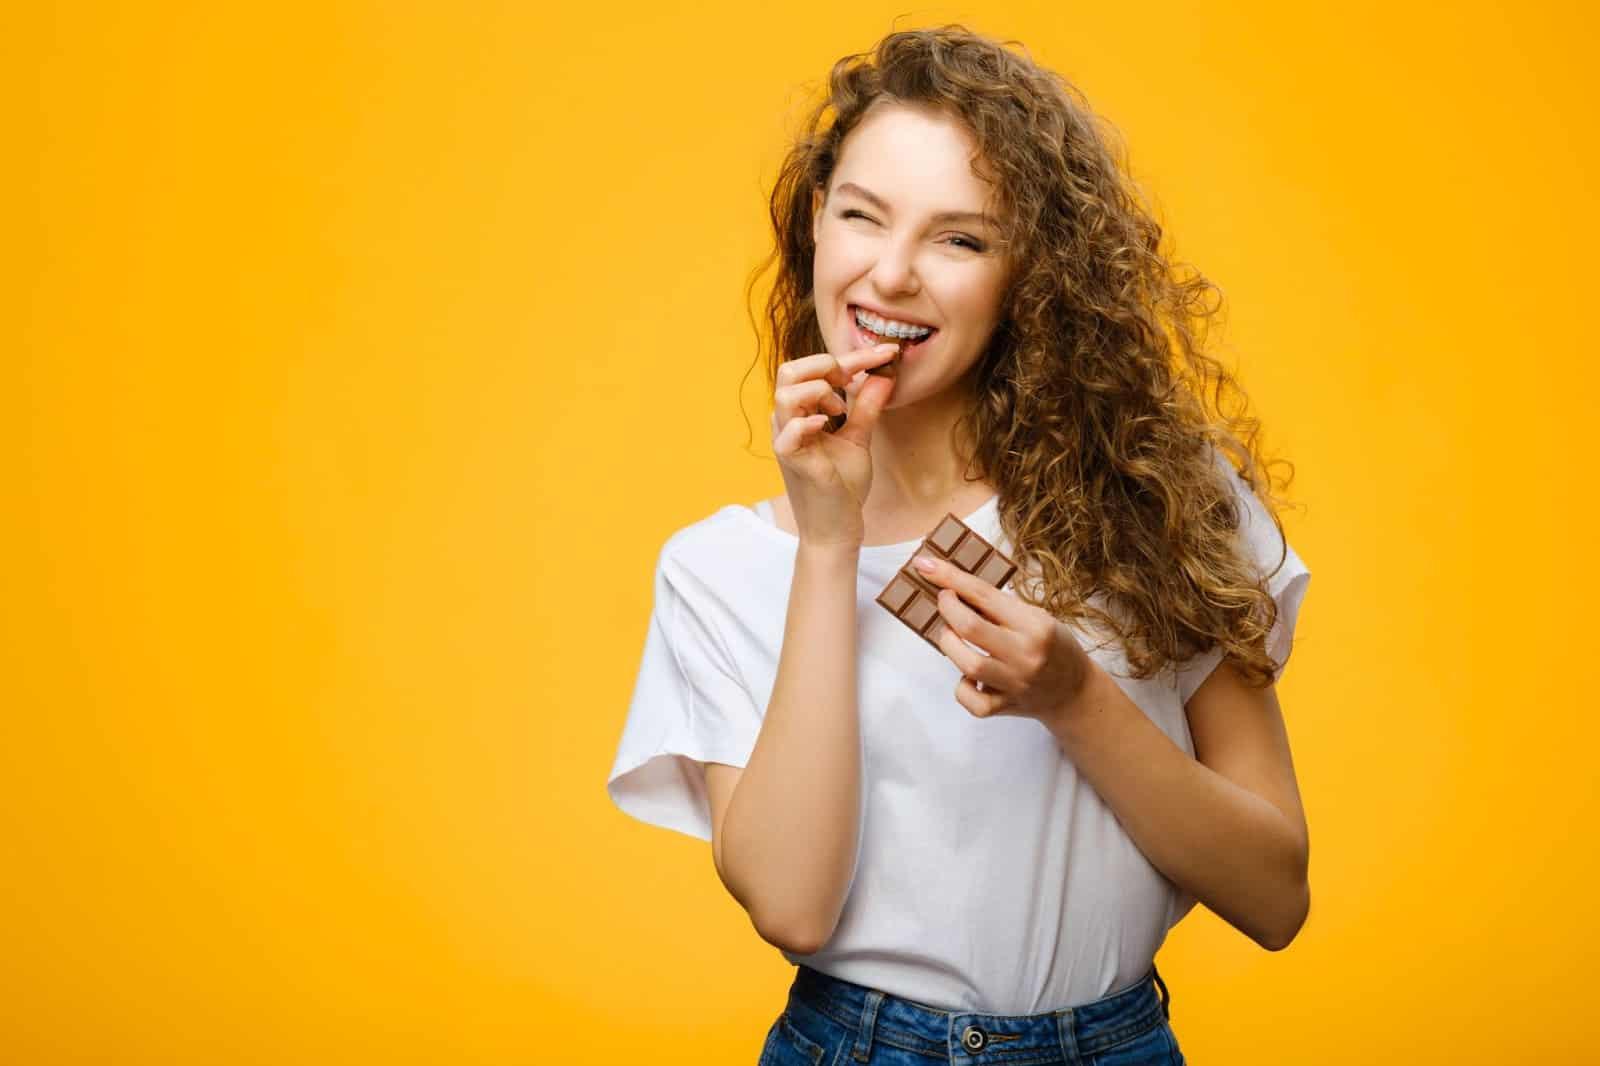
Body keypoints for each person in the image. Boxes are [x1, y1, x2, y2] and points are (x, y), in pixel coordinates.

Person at [607, 25, 1311, 1065]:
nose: (889, 276)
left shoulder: (1156, 498)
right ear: (815, 228)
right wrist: (830, 541)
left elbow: (1273, 894)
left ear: (1030, 274)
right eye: (860, 217)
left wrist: (1074, 699)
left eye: (960, 239)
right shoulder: (720, 570)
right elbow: (792, 909)